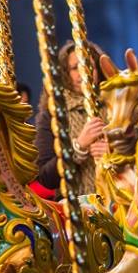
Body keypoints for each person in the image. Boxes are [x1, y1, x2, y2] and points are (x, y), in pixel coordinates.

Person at [34, 41, 108, 197]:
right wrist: (79, 147)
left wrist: (113, 152)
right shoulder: (52, 114)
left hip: (118, 200)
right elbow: (45, 177)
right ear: (65, 74)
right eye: (75, 68)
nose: (84, 72)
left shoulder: (116, 105)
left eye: (89, 65)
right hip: (75, 206)